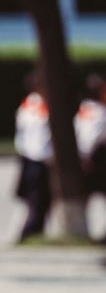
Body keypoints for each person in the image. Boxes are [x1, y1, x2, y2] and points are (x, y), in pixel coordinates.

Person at [13, 73, 52, 241]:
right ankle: (29, 233)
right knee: (38, 201)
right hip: (38, 159)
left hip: (29, 157)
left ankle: (33, 233)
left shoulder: (26, 105)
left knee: (36, 201)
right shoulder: (40, 106)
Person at [74, 74, 106, 215]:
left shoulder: (84, 107)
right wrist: (86, 156)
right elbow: (92, 135)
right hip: (97, 157)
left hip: (84, 154)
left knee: (89, 194)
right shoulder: (101, 112)